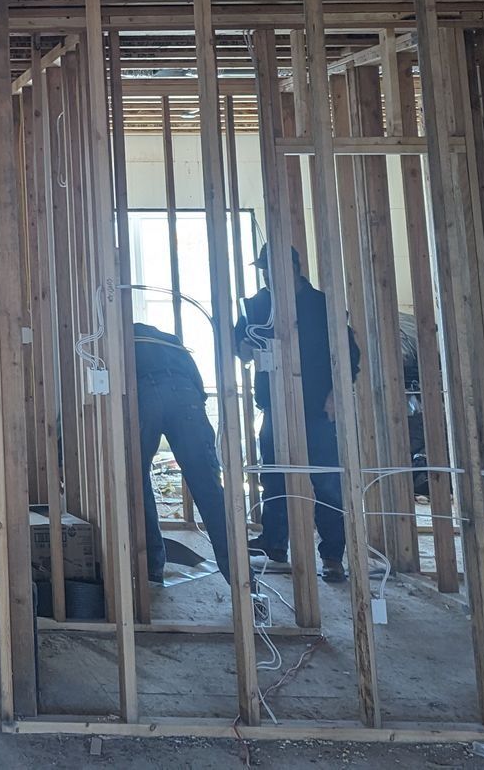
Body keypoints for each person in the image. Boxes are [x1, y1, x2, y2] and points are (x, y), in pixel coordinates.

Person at [233, 245, 360, 583]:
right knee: (273, 478)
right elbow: (239, 344)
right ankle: (273, 544)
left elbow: (350, 354)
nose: (266, 276)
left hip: (318, 409)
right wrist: (243, 346)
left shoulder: (322, 306)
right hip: (275, 407)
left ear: (293, 267)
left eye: (271, 268)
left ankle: (332, 555)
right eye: (262, 269)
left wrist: (336, 393)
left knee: (328, 483)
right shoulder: (257, 305)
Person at [133, 322, 233, 587]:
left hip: (144, 393)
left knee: (136, 480)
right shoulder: (169, 340)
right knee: (208, 487)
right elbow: (199, 389)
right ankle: (243, 581)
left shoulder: (120, 339)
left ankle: (151, 568)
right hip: (185, 393)